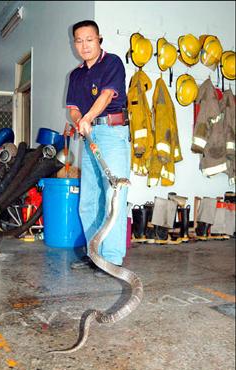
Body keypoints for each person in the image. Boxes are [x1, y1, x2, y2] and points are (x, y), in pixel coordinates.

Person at [66, 20, 130, 277]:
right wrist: (78, 120)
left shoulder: (112, 63)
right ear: (75, 44)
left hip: (112, 133)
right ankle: (95, 255)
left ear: (99, 39)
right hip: (89, 134)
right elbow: (72, 109)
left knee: (114, 196)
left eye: (89, 39)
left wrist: (88, 118)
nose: (84, 45)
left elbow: (105, 97)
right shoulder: (75, 75)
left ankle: (112, 260)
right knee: (89, 200)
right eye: (79, 40)